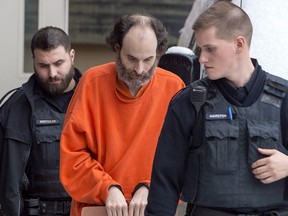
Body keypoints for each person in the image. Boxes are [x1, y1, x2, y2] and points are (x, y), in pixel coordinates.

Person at [145, 1, 288, 216]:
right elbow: (164, 184)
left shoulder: (284, 99)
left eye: (210, 49)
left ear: (239, 44)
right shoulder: (189, 103)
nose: (202, 59)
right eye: (201, 49)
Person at [59, 13, 185, 216]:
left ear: (159, 52)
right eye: (132, 58)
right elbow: (72, 157)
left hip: (154, 208)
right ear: (117, 49)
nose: (140, 69)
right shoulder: (92, 83)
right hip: (98, 207)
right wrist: (107, 188)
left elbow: (183, 160)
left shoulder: (174, 87)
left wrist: (151, 187)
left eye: (149, 59)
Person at [0, 26, 81, 215]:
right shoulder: (14, 108)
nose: (52, 73)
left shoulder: (96, 99)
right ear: (34, 62)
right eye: (43, 66)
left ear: (72, 55)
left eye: (58, 63)